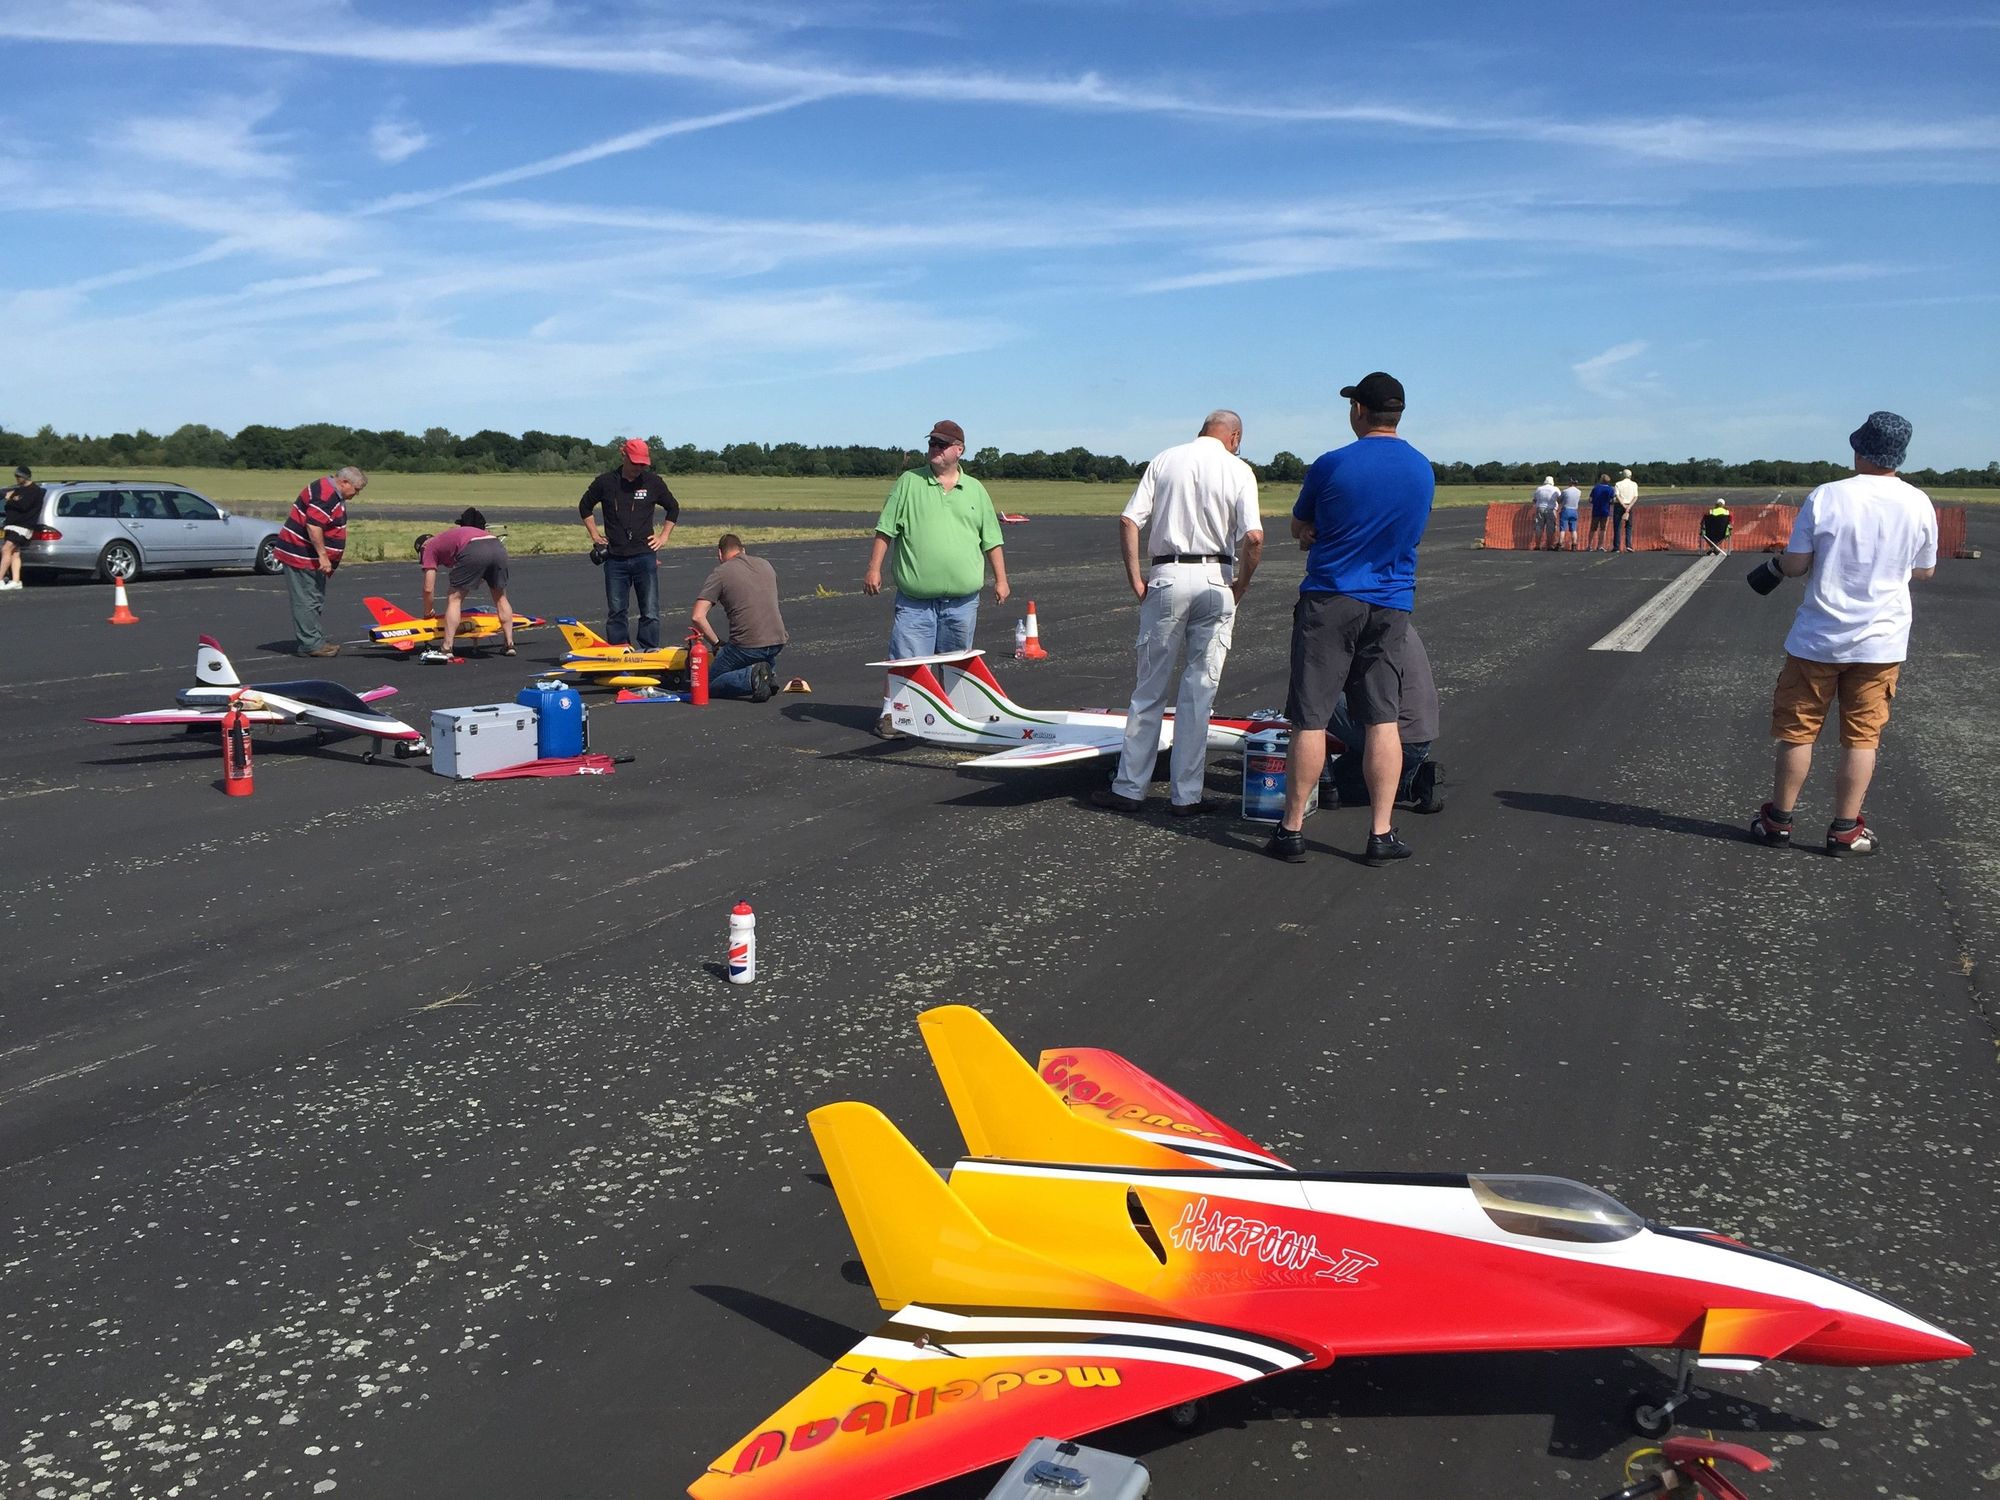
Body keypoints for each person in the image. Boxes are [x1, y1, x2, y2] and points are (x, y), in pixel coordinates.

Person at [1749, 411, 1937, 858]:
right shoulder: (1919, 502)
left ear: (1859, 450)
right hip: (1881, 643)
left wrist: (1777, 566)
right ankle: (1846, 831)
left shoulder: (1827, 495)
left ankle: (1778, 823)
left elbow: (1796, 565)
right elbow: (1925, 570)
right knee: (1862, 738)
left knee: (1798, 732)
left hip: (1818, 638)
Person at [1267, 371, 1433, 866]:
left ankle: (1292, 829)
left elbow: (1301, 523)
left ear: (1359, 410)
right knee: (1382, 717)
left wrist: (1310, 535)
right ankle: (1380, 833)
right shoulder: (1422, 469)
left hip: (1332, 596)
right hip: (1392, 601)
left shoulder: (1333, 463)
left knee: (1310, 717)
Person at [1089, 410, 1264, 817]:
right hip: (1216, 578)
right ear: (1234, 437)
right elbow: (1254, 538)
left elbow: (1129, 520)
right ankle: (1187, 795)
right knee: (1198, 692)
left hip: (1167, 575)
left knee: (1149, 689)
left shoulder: (1165, 459)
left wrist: (1136, 578)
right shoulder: (1238, 469)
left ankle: (1129, 787)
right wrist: (1241, 584)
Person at [863, 419, 1009, 738]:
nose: (934, 449)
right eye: (932, 443)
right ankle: (893, 713)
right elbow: (885, 529)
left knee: (957, 661)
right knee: (907, 659)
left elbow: (991, 539)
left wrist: (1001, 579)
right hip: (916, 600)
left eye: (942, 445)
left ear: (959, 450)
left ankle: (952, 714)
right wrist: (874, 568)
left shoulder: (976, 490)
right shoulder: (909, 482)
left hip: (962, 601)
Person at [1323, 623, 1441, 813]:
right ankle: (1415, 777)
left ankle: (1324, 782)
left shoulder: (1361, 628)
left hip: (1399, 738)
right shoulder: (1395, 621)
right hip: (1418, 735)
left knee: (1313, 698)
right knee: (1343, 776)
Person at [579, 438, 679, 650]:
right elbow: (585, 506)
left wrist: (663, 537)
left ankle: (649, 650)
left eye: (643, 464)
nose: (639, 468)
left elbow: (673, 508)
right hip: (615, 558)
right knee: (617, 611)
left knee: (650, 610)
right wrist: (595, 535)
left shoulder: (653, 482)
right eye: (635, 463)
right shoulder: (605, 482)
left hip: (644, 555)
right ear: (623, 455)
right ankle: (619, 650)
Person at [272, 465, 367, 656]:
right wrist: (323, 556)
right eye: (356, 489)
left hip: (308, 555)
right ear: (344, 482)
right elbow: (314, 526)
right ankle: (310, 644)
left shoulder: (328, 490)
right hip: (302, 555)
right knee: (306, 599)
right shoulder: (326, 495)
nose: (356, 494)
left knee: (313, 598)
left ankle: (315, 639)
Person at [692, 533, 788, 702]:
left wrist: (716, 643)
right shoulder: (765, 564)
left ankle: (752, 676)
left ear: (720, 554)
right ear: (743, 550)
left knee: (706, 684)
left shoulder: (721, 572)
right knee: (755, 651)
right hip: (777, 641)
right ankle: (767, 672)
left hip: (748, 645)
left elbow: (697, 616)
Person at [414, 508, 514, 661]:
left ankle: (447, 647)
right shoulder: (446, 539)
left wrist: (428, 612)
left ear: (422, 548)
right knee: (500, 597)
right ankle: (509, 644)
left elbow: (428, 588)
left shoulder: (429, 547)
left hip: (473, 548)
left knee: (454, 598)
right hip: (497, 546)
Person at [2, 464, 44, 590]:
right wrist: (12, 499)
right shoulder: (19, 490)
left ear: (25, 477)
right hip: (11, 524)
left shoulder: (35, 491)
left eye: (19, 476)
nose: (17, 478)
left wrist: (11, 499)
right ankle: (16, 580)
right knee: (15, 553)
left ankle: (0, 578)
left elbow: (24, 505)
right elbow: (10, 505)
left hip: (22, 525)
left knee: (5, 549)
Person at [1530, 476, 1560, 551]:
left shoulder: (1539, 489)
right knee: (1550, 528)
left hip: (1540, 508)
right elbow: (1559, 498)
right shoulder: (1555, 489)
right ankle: (1549, 545)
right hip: (1550, 509)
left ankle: (1537, 545)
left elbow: (1534, 499)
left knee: (1539, 527)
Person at [1587, 473, 1616, 551]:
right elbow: (1613, 500)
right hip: (1605, 511)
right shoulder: (1611, 489)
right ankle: (1600, 546)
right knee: (1603, 529)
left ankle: (1589, 545)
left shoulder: (1596, 488)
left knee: (1593, 528)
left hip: (1596, 510)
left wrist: (1595, 502)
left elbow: (1590, 499)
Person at [1612, 467, 1639, 552]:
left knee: (1617, 526)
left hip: (1619, 505)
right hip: (1629, 505)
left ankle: (1617, 547)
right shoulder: (1634, 484)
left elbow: (1617, 495)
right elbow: (1635, 497)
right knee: (1629, 526)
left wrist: (1623, 505)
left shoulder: (1618, 484)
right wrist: (1629, 507)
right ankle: (1628, 545)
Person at [1559, 479, 1582, 551]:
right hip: (1574, 510)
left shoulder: (1565, 491)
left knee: (1562, 529)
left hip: (1566, 509)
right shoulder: (1579, 492)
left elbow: (1559, 500)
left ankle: (1560, 544)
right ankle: (1574, 545)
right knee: (1573, 529)